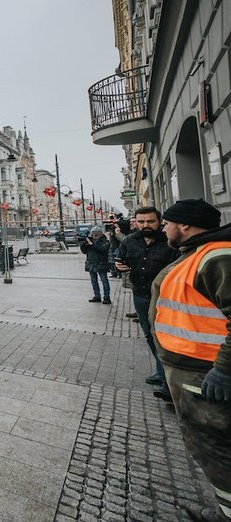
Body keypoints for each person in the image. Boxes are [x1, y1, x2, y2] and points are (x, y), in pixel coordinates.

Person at [149, 199, 230, 522]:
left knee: (217, 449)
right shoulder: (198, 253)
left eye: (167, 222)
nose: (163, 227)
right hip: (194, 370)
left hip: (208, 373)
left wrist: (224, 370)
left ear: (185, 225)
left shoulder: (217, 255)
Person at [114, 207, 179, 394]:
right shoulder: (129, 241)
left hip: (167, 297)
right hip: (141, 295)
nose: (146, 225)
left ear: (159, 221)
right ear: (135, 222)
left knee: (166, 336)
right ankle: (161, 372)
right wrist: (120, 267)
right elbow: (120, 262)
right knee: (150, 335)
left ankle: (169, 379)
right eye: (141, 222)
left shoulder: (170, 241)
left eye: (150, 221)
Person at [81, 226, 112, 304]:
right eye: (93, 232)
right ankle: (97, 296)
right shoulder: (90, 240)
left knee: (104, 281)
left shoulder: (104, 240)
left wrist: (92, 244)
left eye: (96, 232)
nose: (94, 234)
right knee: (93, 281)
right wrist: (83, 244)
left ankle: (107, 297)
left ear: (100, 233)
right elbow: (84, 251)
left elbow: (103, 249)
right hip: (91, 263)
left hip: (101, 263)